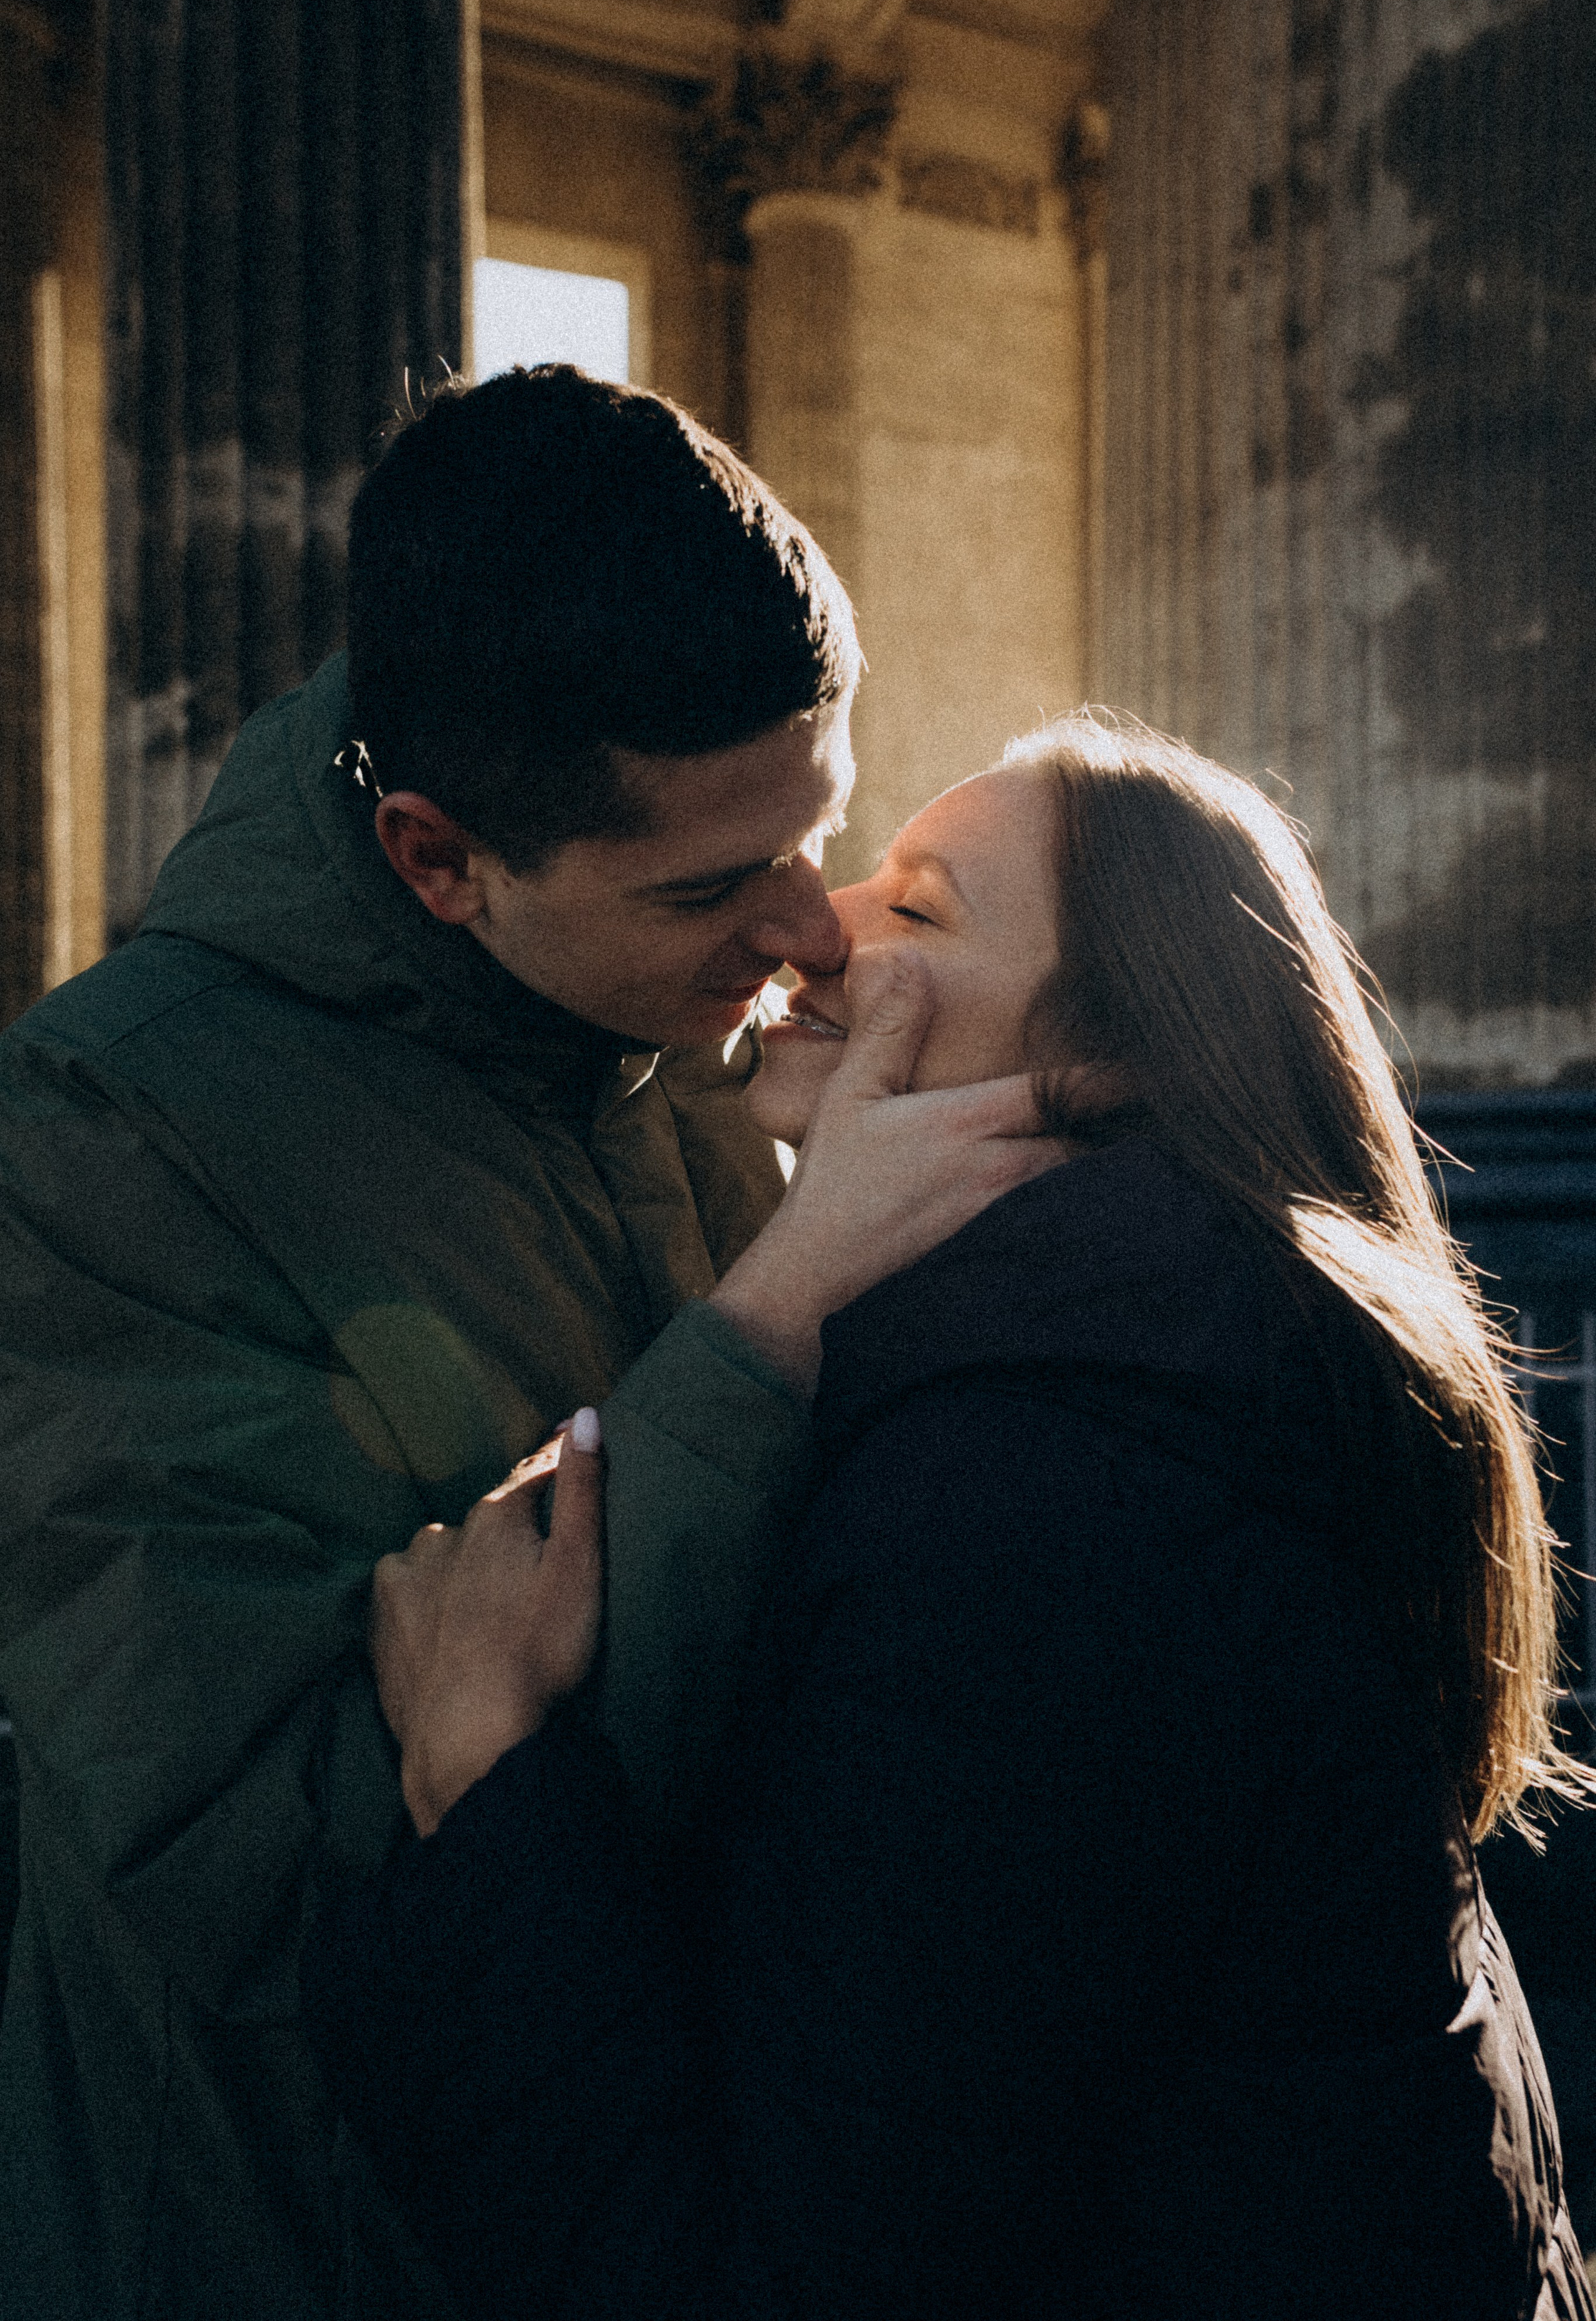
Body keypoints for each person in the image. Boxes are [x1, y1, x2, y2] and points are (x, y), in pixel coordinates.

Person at [309, 715, 1596, 2320]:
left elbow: (759, 2280)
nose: (808, 924)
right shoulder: (1154, 1380)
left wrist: (489, 1799)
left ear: (1103, 1059)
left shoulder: (1046, 1514)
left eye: (914, 910)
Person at [0, 367, 1053, 2321]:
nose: (814, 934)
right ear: (435, 861)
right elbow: (285, 1862)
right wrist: (775, 1323)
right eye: (706, 887)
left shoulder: (738, 1045)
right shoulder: (95, 1138)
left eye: (810, 832)